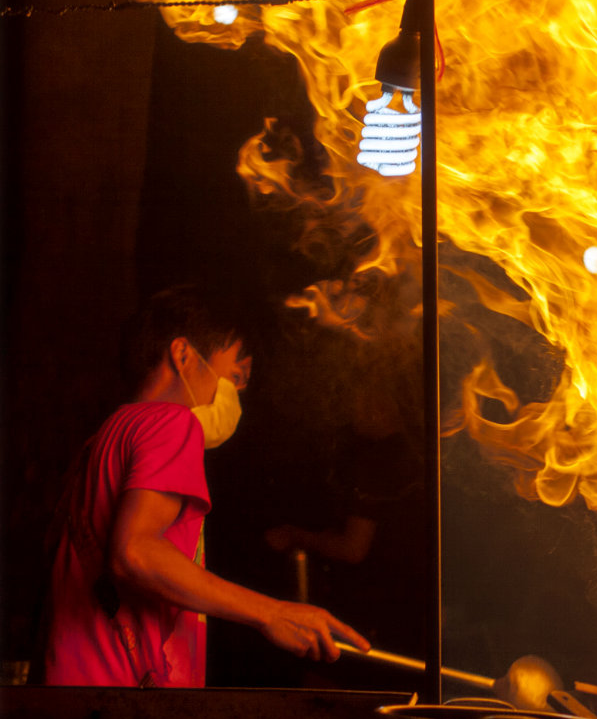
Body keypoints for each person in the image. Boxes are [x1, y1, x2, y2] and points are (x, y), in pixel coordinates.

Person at [41, 285, 369, 687]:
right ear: (182, 355)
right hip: (118, 707)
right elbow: (135, 552)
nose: (239, 389)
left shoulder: (106, 435)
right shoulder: (171, 424)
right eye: (234, 373)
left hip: (72, 693)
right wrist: (272, 612)